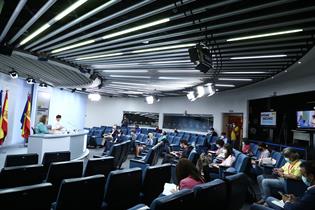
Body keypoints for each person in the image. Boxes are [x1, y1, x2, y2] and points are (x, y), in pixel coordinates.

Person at [250, 160, 315, 210]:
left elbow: (293, 209)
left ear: (311, 176)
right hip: (295, 204)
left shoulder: (311, 193)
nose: (302, 177)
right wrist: (296, 199)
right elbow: (304, 202)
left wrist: (287, 202)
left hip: (289, 207)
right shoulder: (310, 190)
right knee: (269, 199)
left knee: (254, 206)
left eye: (303, 175)